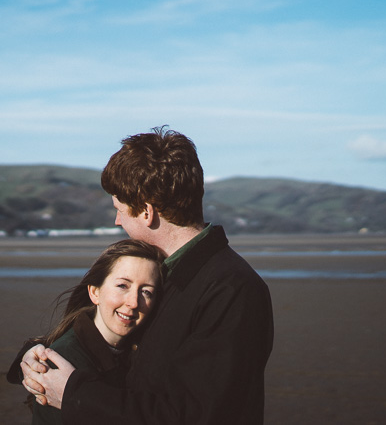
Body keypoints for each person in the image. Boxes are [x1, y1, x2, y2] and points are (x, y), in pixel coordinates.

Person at [15, 126, 274, 424]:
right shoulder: (158, 272)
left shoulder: (232, 289)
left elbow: (198, 415)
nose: (116, 220)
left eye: (120, 209)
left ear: (147, 212)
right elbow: (96, 333)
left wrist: (74, 393)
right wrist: (36, 357)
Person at [22, 239, 165, 425]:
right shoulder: (62, 360)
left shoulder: (143, 350)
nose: (133, 302)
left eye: (146, 292)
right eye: (122, 286)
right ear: (95, 292)